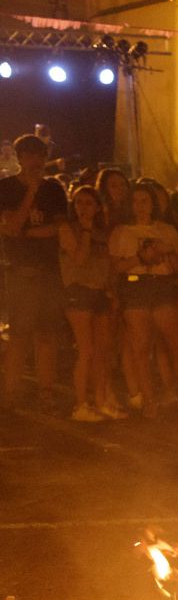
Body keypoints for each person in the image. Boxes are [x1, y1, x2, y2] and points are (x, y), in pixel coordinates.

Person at [110, 182, 178, 417]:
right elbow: (116, 267)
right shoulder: (122, 231)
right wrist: (140, 257)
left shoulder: (166, 230)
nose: (140, 206)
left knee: (177, 345)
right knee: (141, 347)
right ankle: (149, 401)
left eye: (145, 201)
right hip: (135, 288)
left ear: (153, 204)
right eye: (135, 201)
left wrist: (166, 251)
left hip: (162, 286)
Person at [0, 134, 67, 411]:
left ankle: (46, 392)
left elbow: (60, 228)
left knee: (47, 335)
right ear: (19, 158)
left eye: (39, 155)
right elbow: (11, 226)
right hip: (20, 273)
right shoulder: (6, 188)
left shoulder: (54, 189)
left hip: (49, 272)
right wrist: (30, 192)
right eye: (29, 155)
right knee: (19, 335)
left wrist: (27, 232)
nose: (35, 161)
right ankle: (11, 392)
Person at [59, 185, 120, 421]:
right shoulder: (68, 229)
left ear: (97, 207)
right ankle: (81, 404)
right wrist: (85, 231)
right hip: (79, 292)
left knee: (102, 352)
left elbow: (109, 264)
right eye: (79, 203)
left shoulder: (102, 233)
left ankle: (101, 400)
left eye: (88, 203)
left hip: (100, 293)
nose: (83, 208)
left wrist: (111, 291)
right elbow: (80, 259)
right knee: (86, 350)